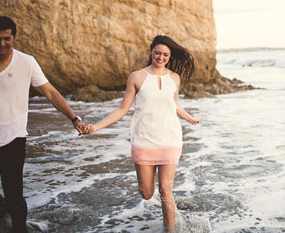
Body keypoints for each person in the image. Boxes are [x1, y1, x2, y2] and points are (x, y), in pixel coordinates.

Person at [81, 35, 199, 231]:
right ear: (151, 52)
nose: (161, 57)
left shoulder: (174, 78)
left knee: (165, 189)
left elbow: (174, 104)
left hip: (170, 138)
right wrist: (96, 127)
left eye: (165, 55)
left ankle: (168, 230)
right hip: (144, 140)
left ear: (170, 57)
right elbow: (122, 109)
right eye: (158, 53)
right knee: (146, 192)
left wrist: (188, 117)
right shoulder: (137, 77)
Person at [0, 16, 89, 232]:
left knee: (14, 193)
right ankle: (1, 213)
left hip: (13, 137)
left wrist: (74, 118)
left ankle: (19, 229)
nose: (1, 44)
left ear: (14, 38)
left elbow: (50, 93)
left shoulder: (26, 62)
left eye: (6, 39)